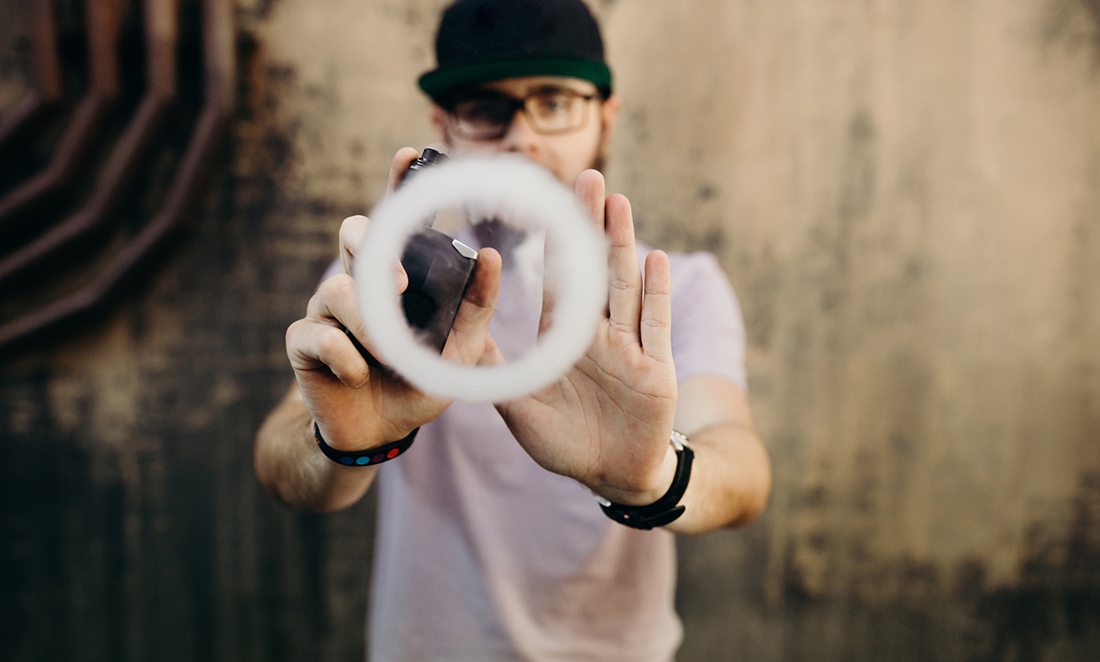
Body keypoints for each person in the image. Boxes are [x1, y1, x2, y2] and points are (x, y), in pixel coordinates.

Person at [254, 0, 771, 659]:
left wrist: (654, 477)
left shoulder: (679, 288)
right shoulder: (388, 278)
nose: (522, 137)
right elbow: (278, 459)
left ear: (604, 120)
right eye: (486, 106)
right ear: (445, 124)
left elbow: (744, 470)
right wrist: (341, 441)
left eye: (554, 101)